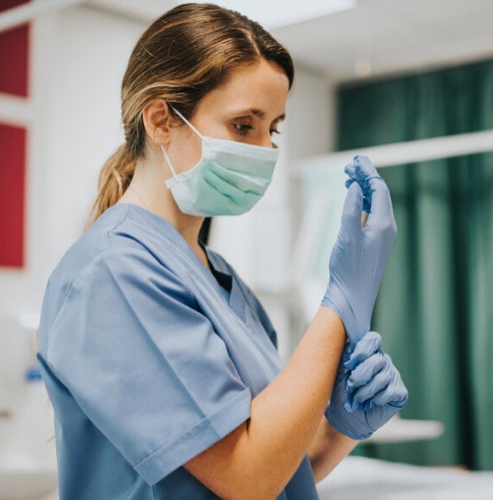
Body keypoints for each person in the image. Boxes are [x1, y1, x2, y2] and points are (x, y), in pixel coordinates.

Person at [35, 3, 407, 499]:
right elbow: (246, 476)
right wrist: (340, 300)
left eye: (273, 129)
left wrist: (340, 427)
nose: (264, 151)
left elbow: (278, 469)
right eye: (243, 126)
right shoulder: (115, 273)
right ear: (161, 119)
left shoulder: (226, 284)